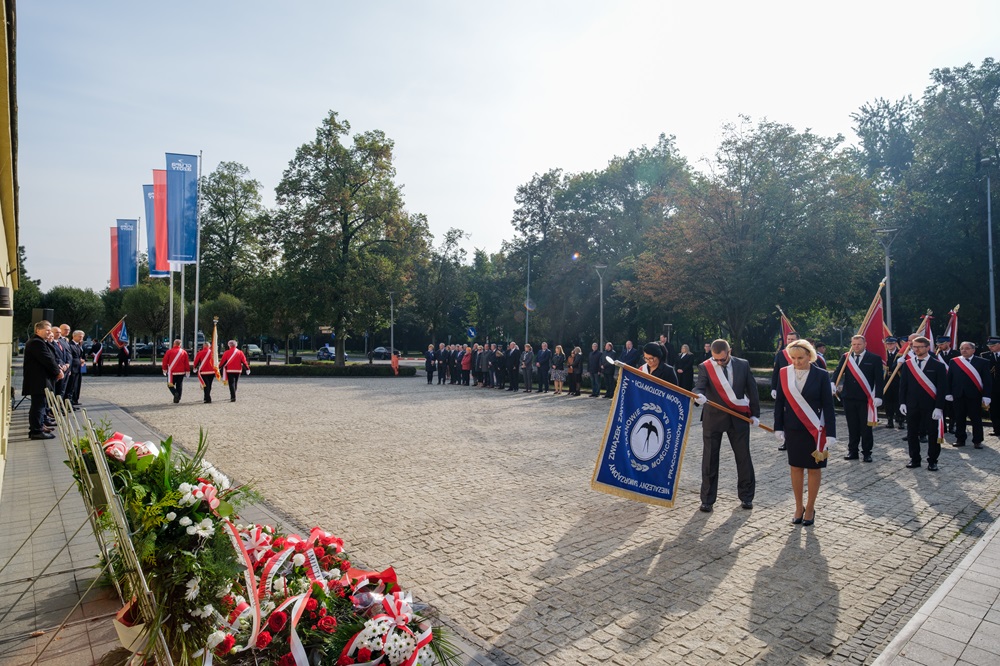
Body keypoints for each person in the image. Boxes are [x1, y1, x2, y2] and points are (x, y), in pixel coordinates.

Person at [773, 339, 836, 526]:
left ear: (810, 355)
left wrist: (831, 433)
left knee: (814, 468)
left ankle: (810, 508)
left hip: (815, 429)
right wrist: (778, 426)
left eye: (800, 358)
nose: (796, 362)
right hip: (793, 429)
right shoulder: (784, 373)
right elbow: (779, 403)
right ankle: (798, 507)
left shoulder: (821, 375)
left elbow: (828, 405)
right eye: (793, 358)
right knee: (796, 467)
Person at [694, 339, 760, 512]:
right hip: (713, 418)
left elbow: (752, 389)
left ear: (729, 351)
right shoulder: (705, 367)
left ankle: (746, 496)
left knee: (743, 458)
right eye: (715, 359)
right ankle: (707, 500)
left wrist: (755, 414)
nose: (719, 362)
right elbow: (699, 387)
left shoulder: (743, 365)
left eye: (722, 359)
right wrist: (698, 396)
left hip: (738, 418)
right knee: (709, 459)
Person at [898, 336, 947, 470]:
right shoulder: (908, 364)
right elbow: (903, 386)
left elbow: (942, 389)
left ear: (927, 347)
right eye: (914, 347)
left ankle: (932, 460)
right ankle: (914, 459)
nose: (917, 349)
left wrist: (939, 407)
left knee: (932, 433)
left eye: (920, 347)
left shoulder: (938, 365)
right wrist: (902, 403)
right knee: (912, 433)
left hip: (931, 406)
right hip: (912, 405)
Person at [834, 335, 883, 463]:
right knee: (852, 426)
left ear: (865, 344)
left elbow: (879, 380)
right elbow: (838, 371)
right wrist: (832, 383)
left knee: (866, 427)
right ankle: (853, 451)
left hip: (865, 398)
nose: (856, 346)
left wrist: (879, 396)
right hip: (849, 397)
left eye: (859, 344)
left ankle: (867, 452)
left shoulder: (874, 358)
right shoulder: (846, 357)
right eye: (854, 344)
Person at [22, 320, 63, 440]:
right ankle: (36, 431)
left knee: (41, 405)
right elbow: (47, 359)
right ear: (38, 330)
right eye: (47, 330)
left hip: (41, 379)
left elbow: (51, 356)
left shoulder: (41, 342)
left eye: (50, 330)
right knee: (38, 406)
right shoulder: (36, 342)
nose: (50, 332)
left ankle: (39, 426)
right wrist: (57, 372)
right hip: (38, 380)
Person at [947, 341, 992, 449]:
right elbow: (949, 379)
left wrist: (986, 395)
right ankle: (960, 439)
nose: (964, 350)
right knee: (959, 418)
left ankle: (977, 440)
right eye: (962, 348)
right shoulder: (954, 361)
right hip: (958, 394)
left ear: (973, 350)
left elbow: (987, 380)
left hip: (974, 395)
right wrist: (948, 393)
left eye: (967, 348)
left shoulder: (982, 362)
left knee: (975, 418)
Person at [883, 337, 904, 429]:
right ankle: (890, 420)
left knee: (898, 401)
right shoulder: (883, 355)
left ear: (896, 344)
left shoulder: (900, 354)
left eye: (892, 343)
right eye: (888, 344)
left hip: (897, 380)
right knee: (887, 402)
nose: (890, 345)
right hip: (886, 380)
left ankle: (900, 421)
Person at [162, 339, 191, 404]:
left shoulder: (169, 352)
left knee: (170, 385)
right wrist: (187, 370)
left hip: (172, 372)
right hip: (181, 371)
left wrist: (164, 369)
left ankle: (175, 393)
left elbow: (165, 361)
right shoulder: (184, 352)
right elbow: (186, 362)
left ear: (174, 344)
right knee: (179, 385)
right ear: (180, 344)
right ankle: (178, 398)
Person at [982, 337, 1000, 436]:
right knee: (993, 409)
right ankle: (996, 429)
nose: (990, 347)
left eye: (993, 345)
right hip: (992, 388)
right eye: (989, 346)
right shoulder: (985, 356)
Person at [69, 330, 86, 406]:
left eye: (82, 337)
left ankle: (75, 399)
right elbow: (71, 357)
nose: (81, 338)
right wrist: (80, 360)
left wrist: (82, 361)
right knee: (72, 385)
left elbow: (81, 356)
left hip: (79, 368)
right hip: (73, 368)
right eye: (80, 336)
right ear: (74, 336)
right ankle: (71, 401)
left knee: (77, 385)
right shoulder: (70, 345)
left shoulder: (79, 345)